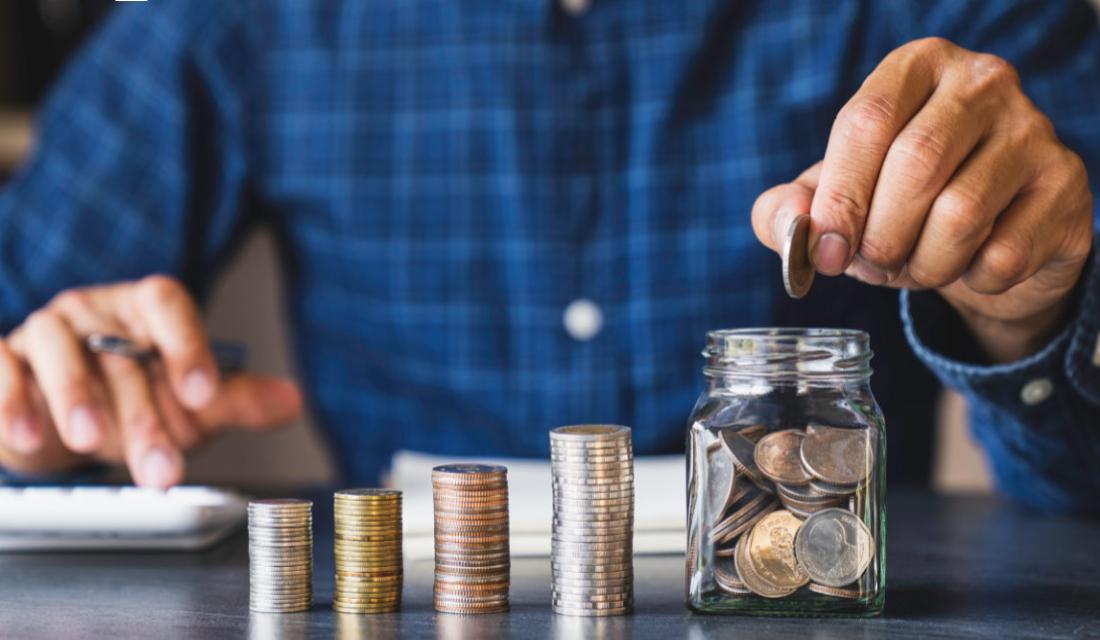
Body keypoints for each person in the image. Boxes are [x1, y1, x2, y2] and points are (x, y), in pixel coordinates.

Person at [0, 0, 1097, 513]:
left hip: (811, 594)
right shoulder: (228, 20)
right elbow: (20, 338)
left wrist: (1036, 312)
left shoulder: (963, 13)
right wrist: (41, 404)